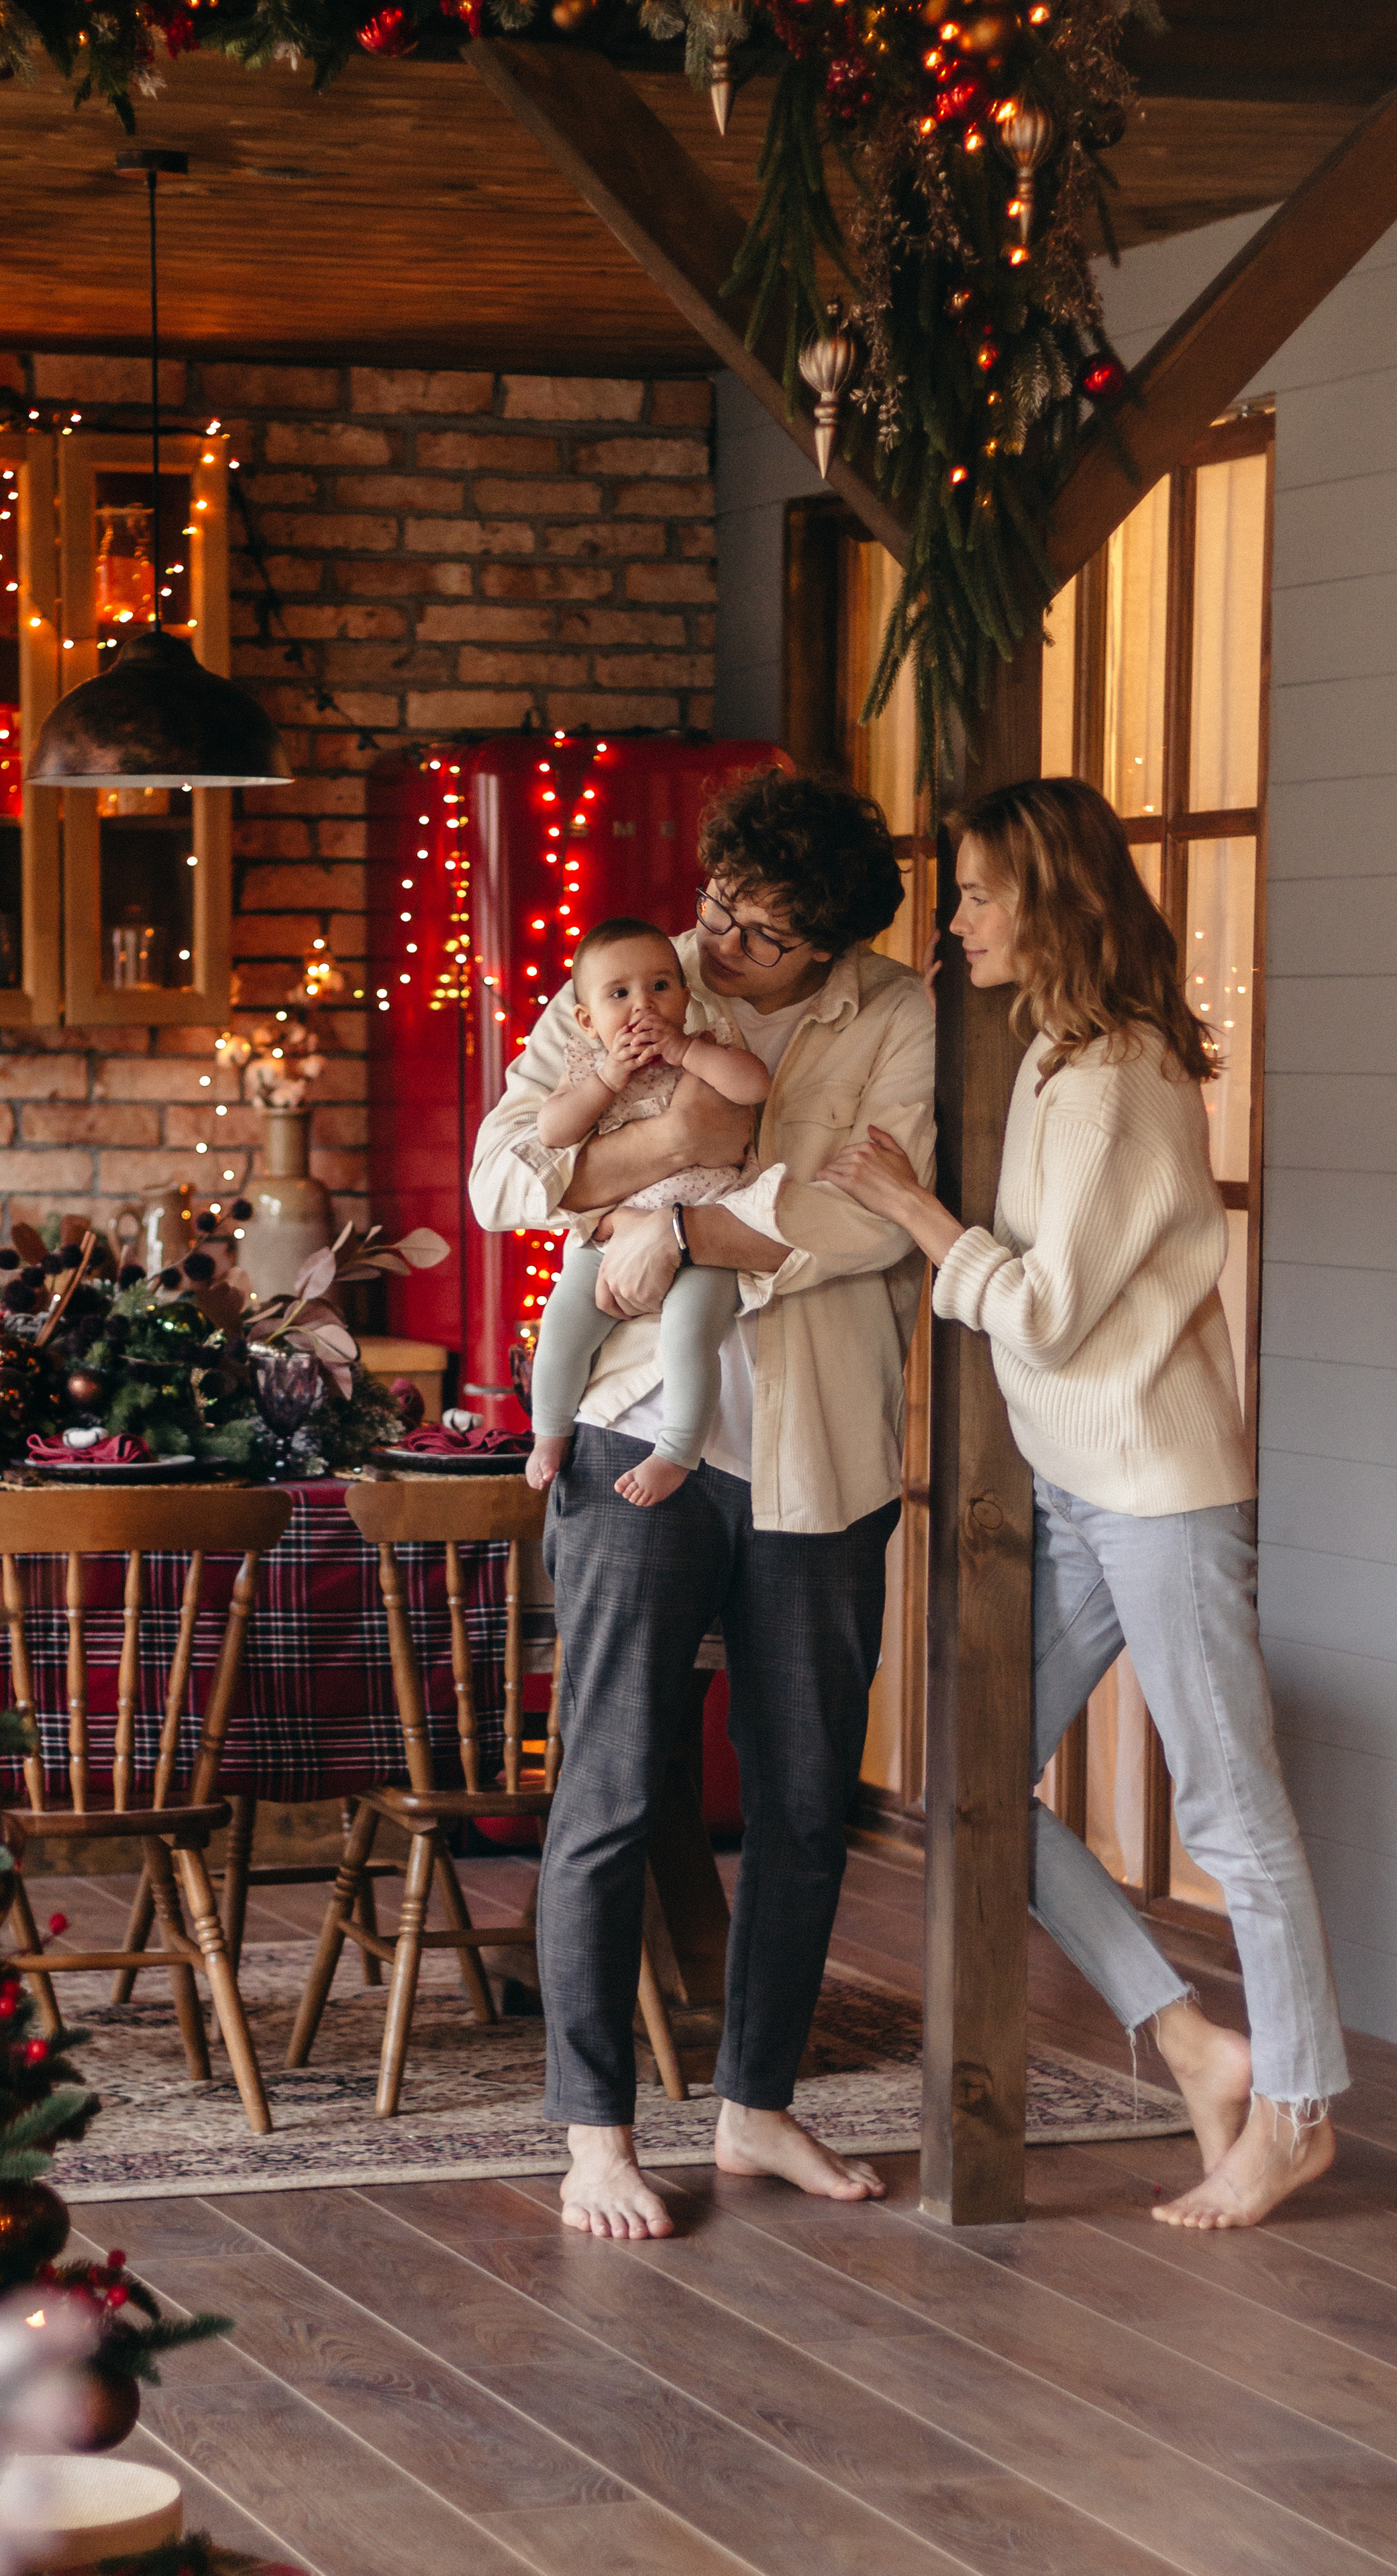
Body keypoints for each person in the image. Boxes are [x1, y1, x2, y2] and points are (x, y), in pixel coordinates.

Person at [823, 775, 1348, 2229]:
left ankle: (1298, 2111)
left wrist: (921, 1217)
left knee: (1232, 1812)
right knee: (974, 1777)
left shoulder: (1115, 1073)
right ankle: (1191, 2041)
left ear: (1048, 900)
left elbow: (1045, 1316)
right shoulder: (1050, 1056)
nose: (958, 920)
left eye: (980, 893)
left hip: (1158, 1496)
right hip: (1077, 1491)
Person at [470, 769, 935, 2240]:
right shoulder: (628, 980)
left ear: (830, 949)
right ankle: (592, 2133)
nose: (715, 946)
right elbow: (501, 1177)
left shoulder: (903, 1018)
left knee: (803, 1804)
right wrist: (661, 1154)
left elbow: (874, 1215)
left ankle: (754, 2106)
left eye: (757, 936)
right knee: (607, 1785)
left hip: (822, 1457)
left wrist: (672, 1228)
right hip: (625, 1439)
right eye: (719, 908)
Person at [527, 916, 771, 1509]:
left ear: (685, 997)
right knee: (562, 1326)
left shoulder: (708, 1047)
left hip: (707, 1233)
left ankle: (676, 1451)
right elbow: (552, 1130)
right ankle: (549, 1431)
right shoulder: (589, 1067)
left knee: (690, 1337)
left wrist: (686, 1050)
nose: (644, 1006)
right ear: (587, 1020)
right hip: (614, 1231)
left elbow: (754, 1087)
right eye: (619, 994)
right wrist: (609, 1078)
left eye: (661, 987)